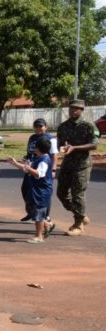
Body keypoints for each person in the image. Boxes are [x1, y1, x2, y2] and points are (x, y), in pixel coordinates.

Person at [56, 99, 99, 235]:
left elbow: (94, 144)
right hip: (67, 164)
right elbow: (59, 144)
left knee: (77, 194)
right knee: (61, 193)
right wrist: (63, 148)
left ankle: (78, 225)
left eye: (77, 108)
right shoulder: (63, 126)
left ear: (82, 110)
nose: (73, 110)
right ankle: (80, 214)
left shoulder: (89, 125)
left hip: (82, 165)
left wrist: (74, 148)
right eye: (71, 108)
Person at [8, 138, 54, 243]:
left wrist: (29, 168)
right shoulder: (39, 158)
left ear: (37, 148)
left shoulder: (44, 160)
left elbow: (39, 173)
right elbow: (27, 168)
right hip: (35, 190)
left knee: (38, 213)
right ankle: (47, 225)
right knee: (35, 211)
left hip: (42, 192)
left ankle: (39, 236)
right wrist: (15, 163)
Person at [20, 118, 58, 222]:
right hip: (31, 166)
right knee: (26, 190)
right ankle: (31, 212)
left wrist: (54, 170)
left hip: (44, 168)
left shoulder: (50, 139)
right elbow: (29, 152)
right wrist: (25, 159)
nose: (38, 128)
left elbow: (54, 156)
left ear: (45, 127)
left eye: (40, 126)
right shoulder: (32, 138)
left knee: (42, 193)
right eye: (36, 126)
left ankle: (45, 216)